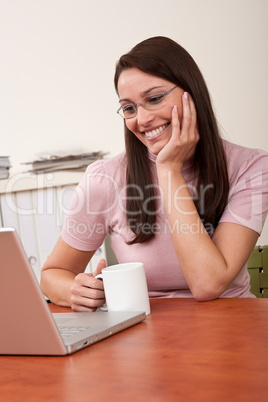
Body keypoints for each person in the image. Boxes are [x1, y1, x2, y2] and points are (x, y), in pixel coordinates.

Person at [41, 36, 268, 310]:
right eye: (129, 108)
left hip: (231, 328)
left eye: (154, 98)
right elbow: (52, 275)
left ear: (191, 92)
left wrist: (169, 169)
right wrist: (76, 291)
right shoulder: (104, 178)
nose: (142, 119)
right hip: (146, 338)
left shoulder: (251, 167)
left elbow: (208, 283)